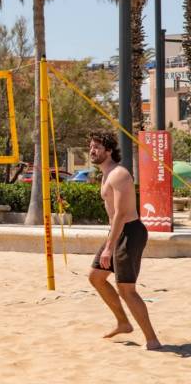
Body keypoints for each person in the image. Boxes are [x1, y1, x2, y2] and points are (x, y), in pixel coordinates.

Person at [87, 131, 161, 350]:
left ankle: (152, 340)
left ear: (109, 151)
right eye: (91, 146)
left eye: (97, 147)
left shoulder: (119, 174)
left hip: (130, 232)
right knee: (96, 277)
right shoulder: (106, 173)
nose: (92, 150)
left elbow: (120, 213)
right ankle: (123, 322)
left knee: (126, 289)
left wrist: (109, 247)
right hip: (118, 232)